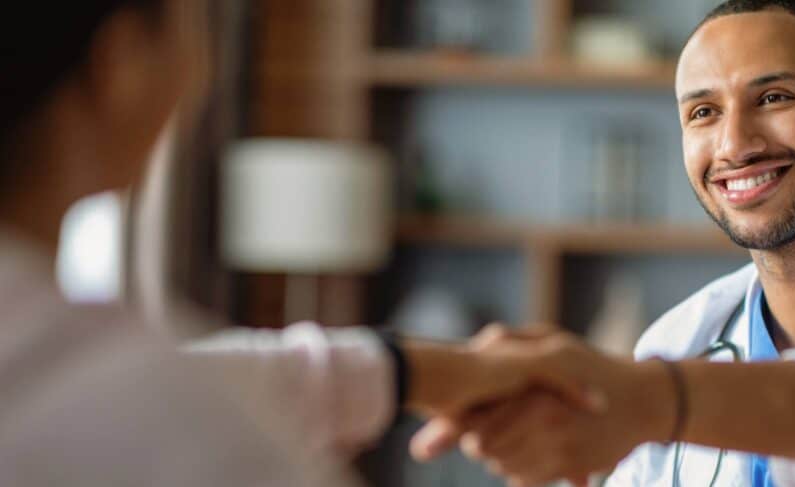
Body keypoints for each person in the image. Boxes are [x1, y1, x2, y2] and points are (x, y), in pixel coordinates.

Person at [413, 1, 795, 486]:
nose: (734, 145)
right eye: (703, 112)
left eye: (774, 98)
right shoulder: (679, 340)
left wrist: (659, 402)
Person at [0, 1, 598, 485]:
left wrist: (429, 373)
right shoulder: (168, 424)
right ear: (123, 61)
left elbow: (205, 382)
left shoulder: (97, 385)